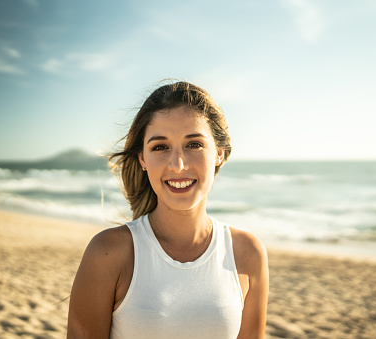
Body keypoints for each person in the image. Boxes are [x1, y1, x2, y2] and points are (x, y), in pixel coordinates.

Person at [67, 81, 269, 338]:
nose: (177, 165)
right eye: (160, 147)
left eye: (194, 144)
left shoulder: (247, 253)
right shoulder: (108, 253)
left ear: (219, 153)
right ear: (142, 159)